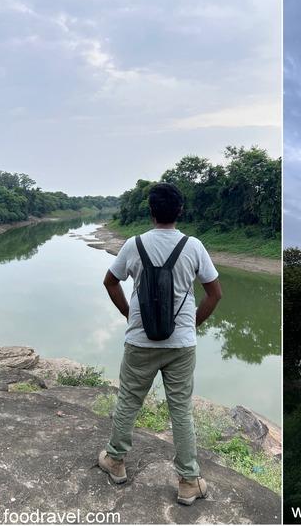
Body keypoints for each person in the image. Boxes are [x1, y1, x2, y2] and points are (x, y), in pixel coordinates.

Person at [97, 182, 223, 505]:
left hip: (140, 343)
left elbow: (110, 282)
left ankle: (115, 461)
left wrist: (130, 315)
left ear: (150, 211)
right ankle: (189, 481)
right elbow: (214, 294)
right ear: (179, 211)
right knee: (181, 410)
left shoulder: (133, 244)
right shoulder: (193, 246)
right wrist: (191, 324)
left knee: (128, 401)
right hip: (181, 346)